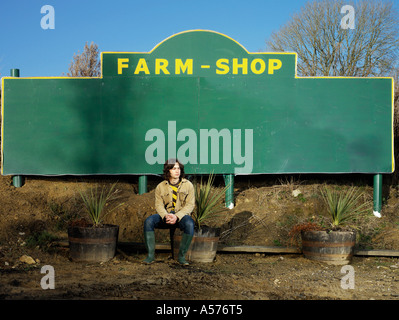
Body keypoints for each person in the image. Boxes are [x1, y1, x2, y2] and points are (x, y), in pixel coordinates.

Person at [143, 158, 195, 265]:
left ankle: (181, 257)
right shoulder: (160, 187)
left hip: (181, 217)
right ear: (168, 171)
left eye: (178, 168)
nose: (177, 171)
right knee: (149, 221)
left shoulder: (188, 185)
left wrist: (177, 216)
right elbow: (159, 205)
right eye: (173, 168)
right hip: (166, 216)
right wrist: (165, 215)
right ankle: (150, 256)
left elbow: (190, 205)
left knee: (190, 223)